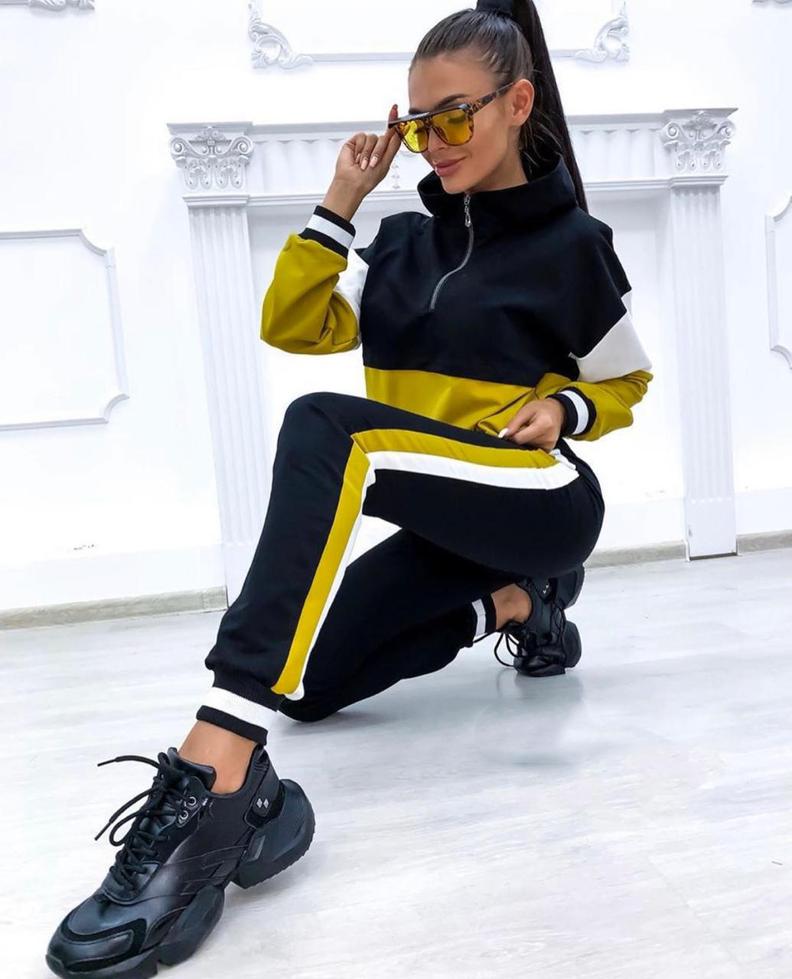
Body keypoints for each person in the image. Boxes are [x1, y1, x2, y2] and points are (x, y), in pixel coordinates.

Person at [45, 1, 653, 975]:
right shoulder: (401, 244)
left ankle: (217, 763)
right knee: (313, 685)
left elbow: (626, 379)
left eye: (455, 116)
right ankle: (515, 605)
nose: (434, 142)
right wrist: (341, 201)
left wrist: (566, 408)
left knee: (330, 427)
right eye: (417, 124)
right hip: (444, 517)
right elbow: (294, 325)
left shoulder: (573, 243)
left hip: (539, 497)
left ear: (517, 103)